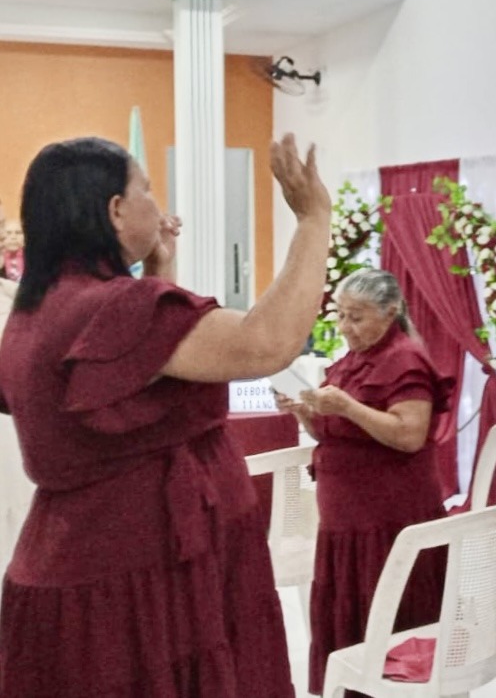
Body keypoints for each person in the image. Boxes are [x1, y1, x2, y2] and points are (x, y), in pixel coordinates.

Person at [0, 134, 329, 698]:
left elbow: (135, 382)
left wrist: (157, 272)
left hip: (90, 557)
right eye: (146, 189)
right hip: (136, 577)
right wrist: (312, 220)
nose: (158, 202)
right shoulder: (111, 307)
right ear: (114, 210)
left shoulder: (40, 307)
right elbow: (265, 344)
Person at [274, 268, 453, 696]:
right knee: (353, 613)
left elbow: (409, 435)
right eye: (340, 315)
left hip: (387, 518)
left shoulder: (404, 357)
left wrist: (349, 407)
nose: (345, 327)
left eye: (357, 316)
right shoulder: (355, 358)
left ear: (390, 312)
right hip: (347, 521)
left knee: (391, 616)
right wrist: (303, 411)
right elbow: (332, 434)